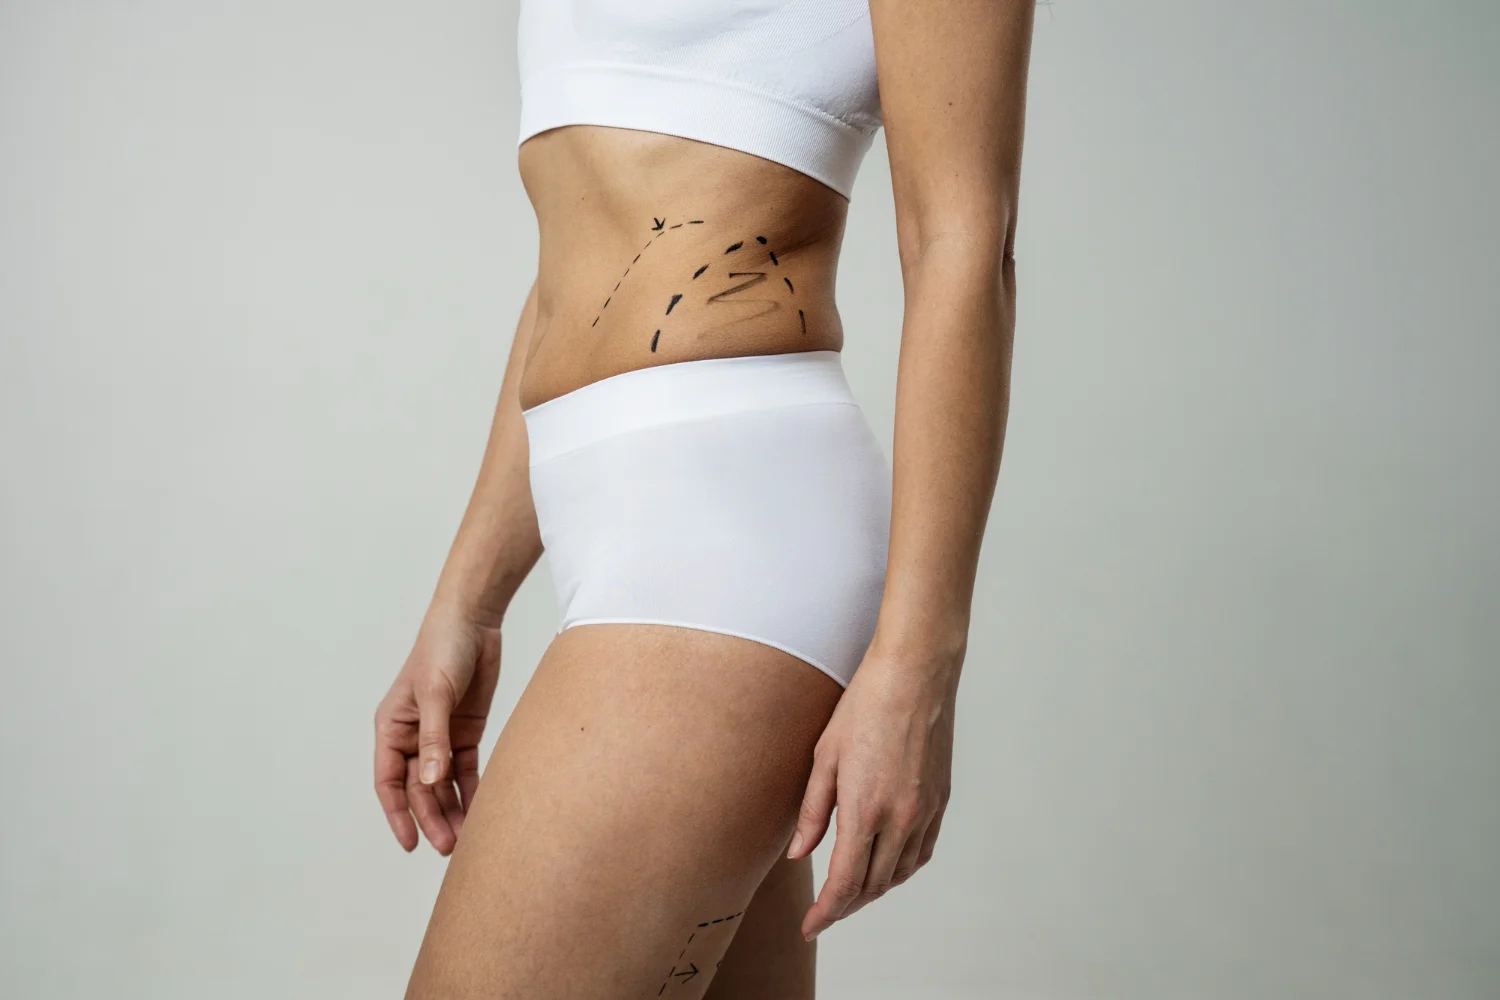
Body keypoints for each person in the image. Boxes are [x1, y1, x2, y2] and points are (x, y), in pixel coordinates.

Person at [374, 1, 1034, 995]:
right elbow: (577, 268)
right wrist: (466, 603)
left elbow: (963, 243)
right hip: (623, 522)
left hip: (732, 545)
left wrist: (917, 666)